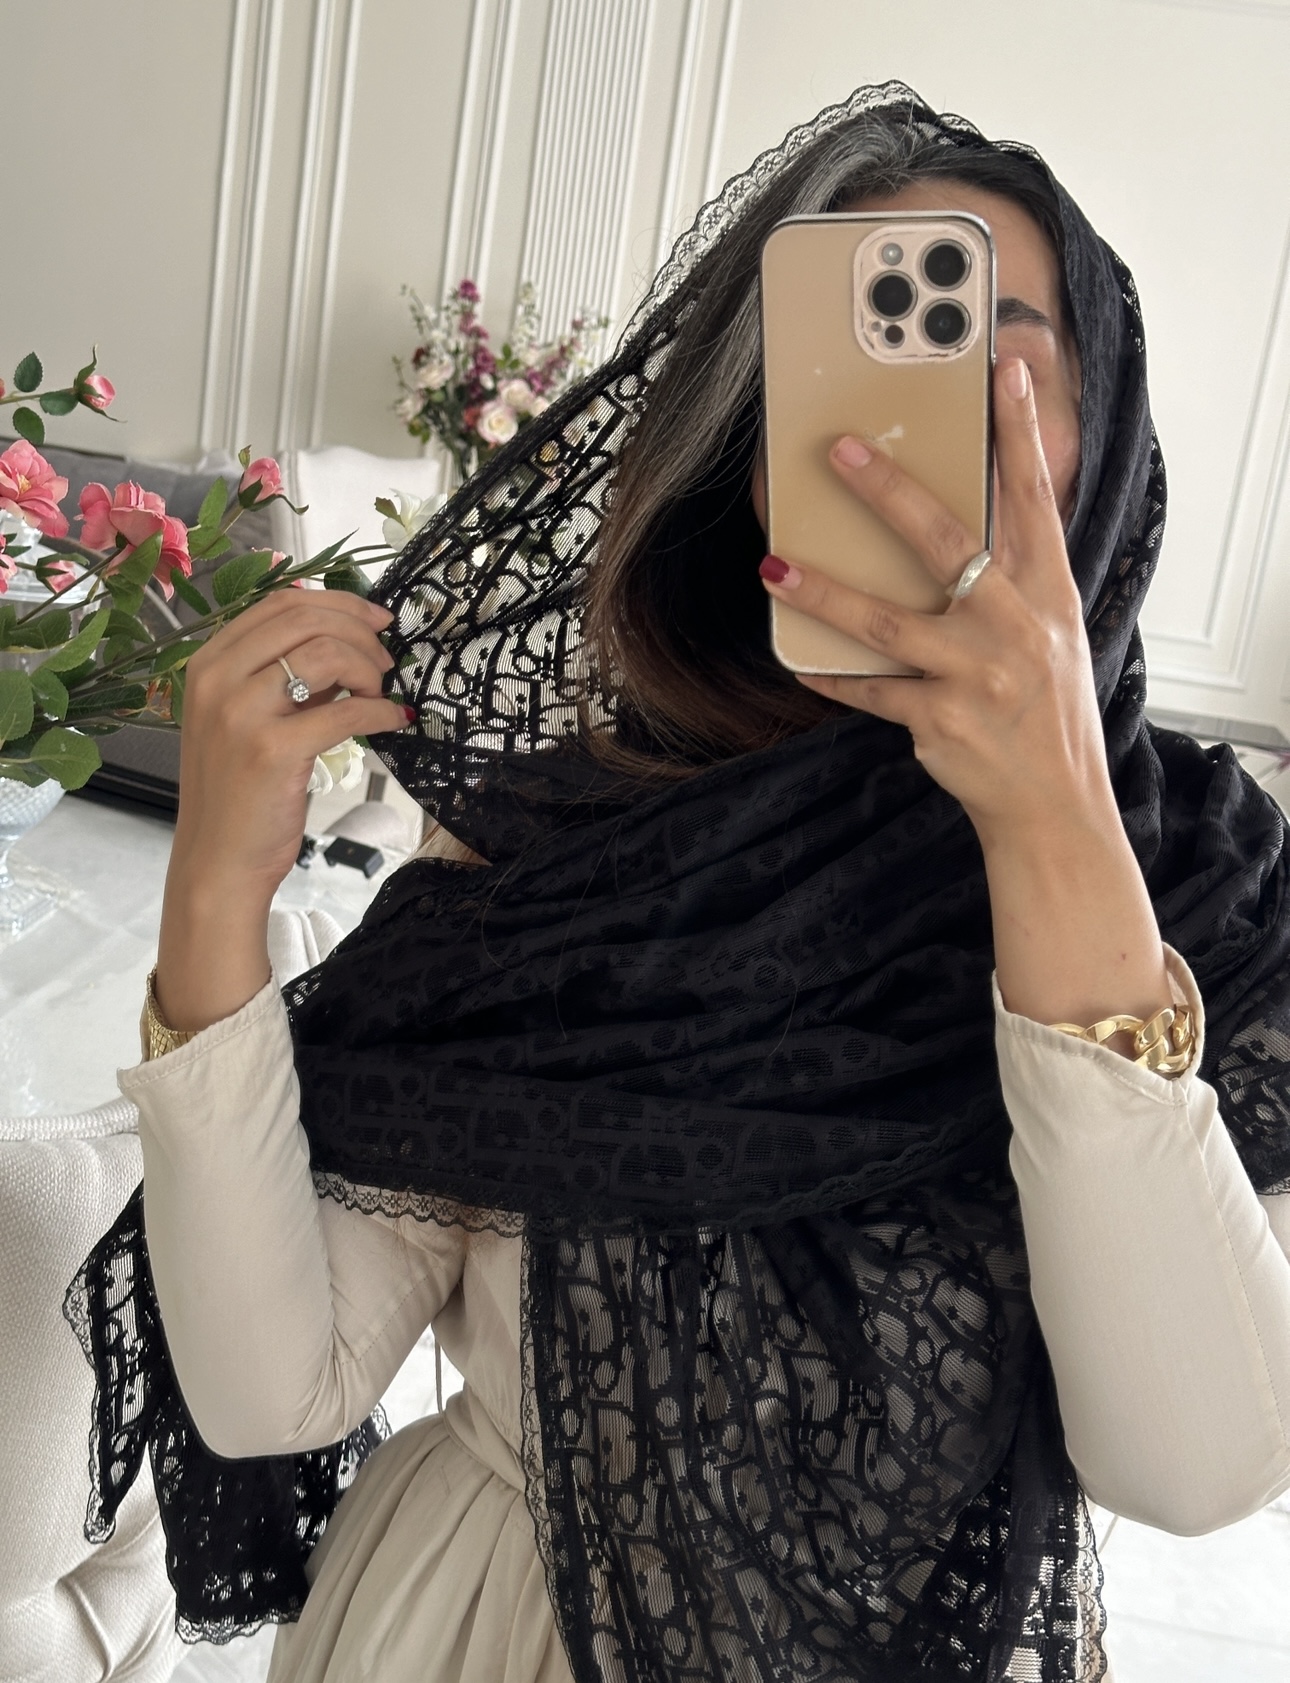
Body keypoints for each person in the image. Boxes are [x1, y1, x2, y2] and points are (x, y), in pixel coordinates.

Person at [69, 84, 1290, 1683]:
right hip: (469, 1630)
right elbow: (270, 1391)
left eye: (994, 358)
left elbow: (1193, 1463)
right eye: (838, 366)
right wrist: (216, 898)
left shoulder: (1210, 886)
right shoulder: (568, 837)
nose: (892, 433)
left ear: (1107, 438)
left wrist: (1055, 825)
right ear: (746, 457)